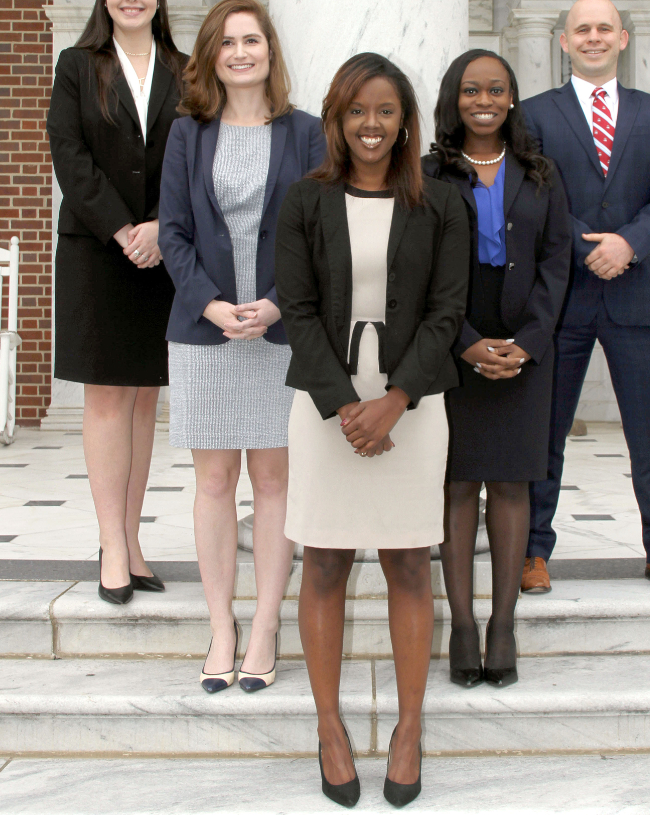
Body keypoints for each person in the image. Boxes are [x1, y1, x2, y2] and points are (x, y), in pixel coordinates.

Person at [276, 53, 468, 808]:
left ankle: (409, 728)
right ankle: (329, 728)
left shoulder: (441, 203)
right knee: (322, 563)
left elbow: (447, 311)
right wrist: (344, 404)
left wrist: (395, 400)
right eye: (358, 110)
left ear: (406, 121)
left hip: (413, 408)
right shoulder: (305, 200)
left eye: (386, 110)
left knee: (410, 566)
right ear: (337, 118)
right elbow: (295, 310)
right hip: (325, 406)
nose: (372, 124)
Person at [158, 0, 325, 694]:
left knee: (276, 482)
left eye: (252, 39)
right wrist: (214, 305)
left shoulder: (307, 132)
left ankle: (265, 625)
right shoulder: (187, 134)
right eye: (226, 42)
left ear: (270, 49)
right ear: (210, 55)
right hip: (206, 333)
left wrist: (280, 303)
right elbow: (173, 232)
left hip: (284, 334)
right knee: (216, 483)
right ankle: (221, 624)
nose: (240, 52)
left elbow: (322, 229)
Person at [521, 0, 650, 595]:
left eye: (604, 28)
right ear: (563, 42)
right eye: (581, 30)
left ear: (623, 38)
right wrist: (585, 246)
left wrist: (628, 243)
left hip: (638, 293)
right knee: (545, 429)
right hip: (563, 298)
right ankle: (532, 552)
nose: (593, 37)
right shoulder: (536, 114)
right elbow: (533, 194)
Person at [422, 50, 571, 688]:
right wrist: (464, 341)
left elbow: (557, 260)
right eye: (471, 89)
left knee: (511, 486)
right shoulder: (429, 172)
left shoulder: (541, 173)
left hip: (525, 352)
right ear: (454, 99)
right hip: (455, 350)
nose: (484, 99)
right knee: (456, 487)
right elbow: (419, 265)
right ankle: (460, 624)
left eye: (497, 89)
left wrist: (529, 341)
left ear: (512, 98)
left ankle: (502, 625)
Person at [47, 0, 186, 605]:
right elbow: (69, 155)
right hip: (99, 250)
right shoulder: (78, 66)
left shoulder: (184, 71)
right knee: (105, 399)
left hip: (162, 253)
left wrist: (161, 225)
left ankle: (133, 542)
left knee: (143, 399)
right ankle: (110, 544)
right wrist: (123, 229)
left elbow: (190, 155)